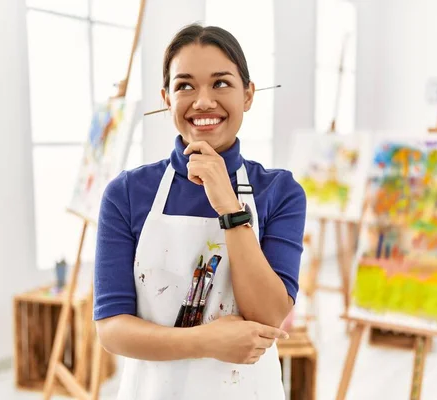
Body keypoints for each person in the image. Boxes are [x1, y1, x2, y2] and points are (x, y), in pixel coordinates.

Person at [93, 23, 307, 399]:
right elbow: (112, 329)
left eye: (221, 83)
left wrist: (229, 205)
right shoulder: (126, 194)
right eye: (185, 85)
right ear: (166, 98)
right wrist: (205, 340)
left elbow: (269, 314)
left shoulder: (281, 192)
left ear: (248, 94)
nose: (203, 100)